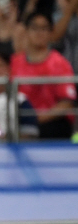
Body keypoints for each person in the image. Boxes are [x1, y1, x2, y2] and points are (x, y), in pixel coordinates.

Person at [11, 11, 76, 139]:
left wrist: (35, 118)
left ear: (51, 33)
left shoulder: (60, 63)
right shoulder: (15, 62)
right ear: (27, 31)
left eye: (44, 28)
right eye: (34, 28)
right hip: (21, 122)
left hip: (51, 124)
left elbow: (67, 104)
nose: (39, 32)